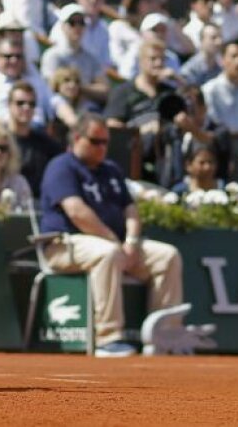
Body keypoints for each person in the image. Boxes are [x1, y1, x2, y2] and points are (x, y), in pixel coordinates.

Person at [39, 113, 186, 358]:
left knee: (167, 256)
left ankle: (165, 337)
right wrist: (115, 241)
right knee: (108, 253)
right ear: (77, 138)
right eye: (96, 141)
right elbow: (77, 212)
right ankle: (108, 338)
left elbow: (131, 210)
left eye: (106, 142)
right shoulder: (61, 166)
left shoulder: (111, 169)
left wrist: (131, 241)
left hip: (117, 245)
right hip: (63, 245)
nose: (102, 148)